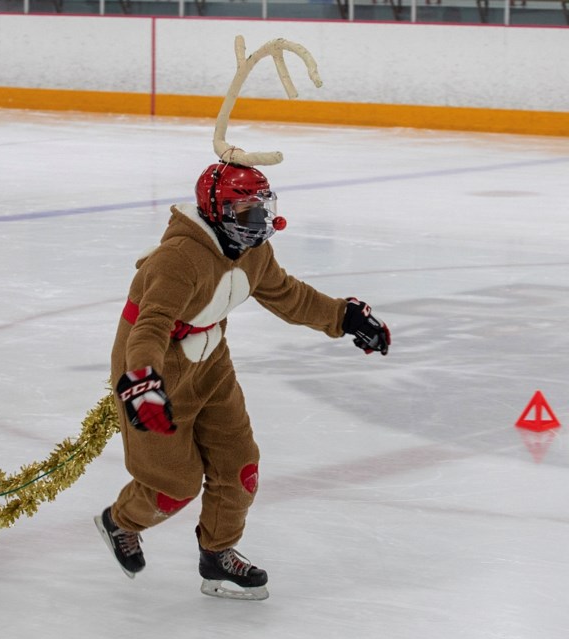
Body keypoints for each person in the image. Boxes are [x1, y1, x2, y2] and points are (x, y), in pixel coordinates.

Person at [94, 160, 390, 599]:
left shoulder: (254, 253)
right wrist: (141, 380)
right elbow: (149, 326)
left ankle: (218, 554)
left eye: (263, 210)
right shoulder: (178, 259)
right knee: (174, 487)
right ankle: (120, 521)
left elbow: (288, 295)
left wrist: (343, 318)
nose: (261, 224)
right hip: (159, 374)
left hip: (211, 363)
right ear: (217, 212)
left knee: (241, 467)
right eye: (249, 213)